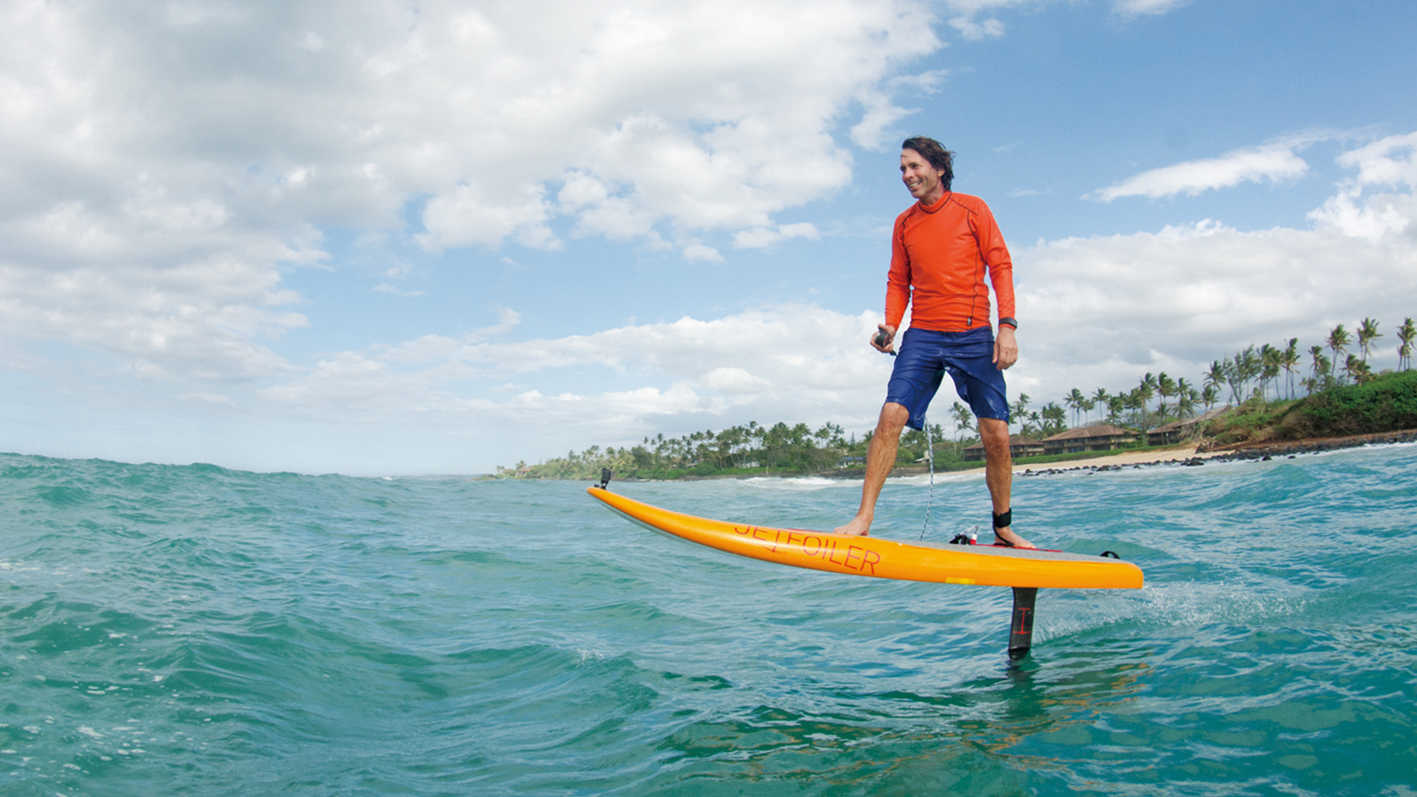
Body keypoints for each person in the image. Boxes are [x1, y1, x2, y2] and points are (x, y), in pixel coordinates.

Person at [835, 136, 1032, 548]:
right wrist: (890, 326)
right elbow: (898, 280)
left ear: (939, 168)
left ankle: (1003, 526)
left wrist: (1007, 325)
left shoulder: (972, 209)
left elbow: (1000, 264)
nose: (907, 176)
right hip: (923, 335)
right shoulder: (904, 223)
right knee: (891, 415)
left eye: (914, 167)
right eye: (902, 169)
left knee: (995, 432)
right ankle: (863, 517)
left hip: (973, 332)